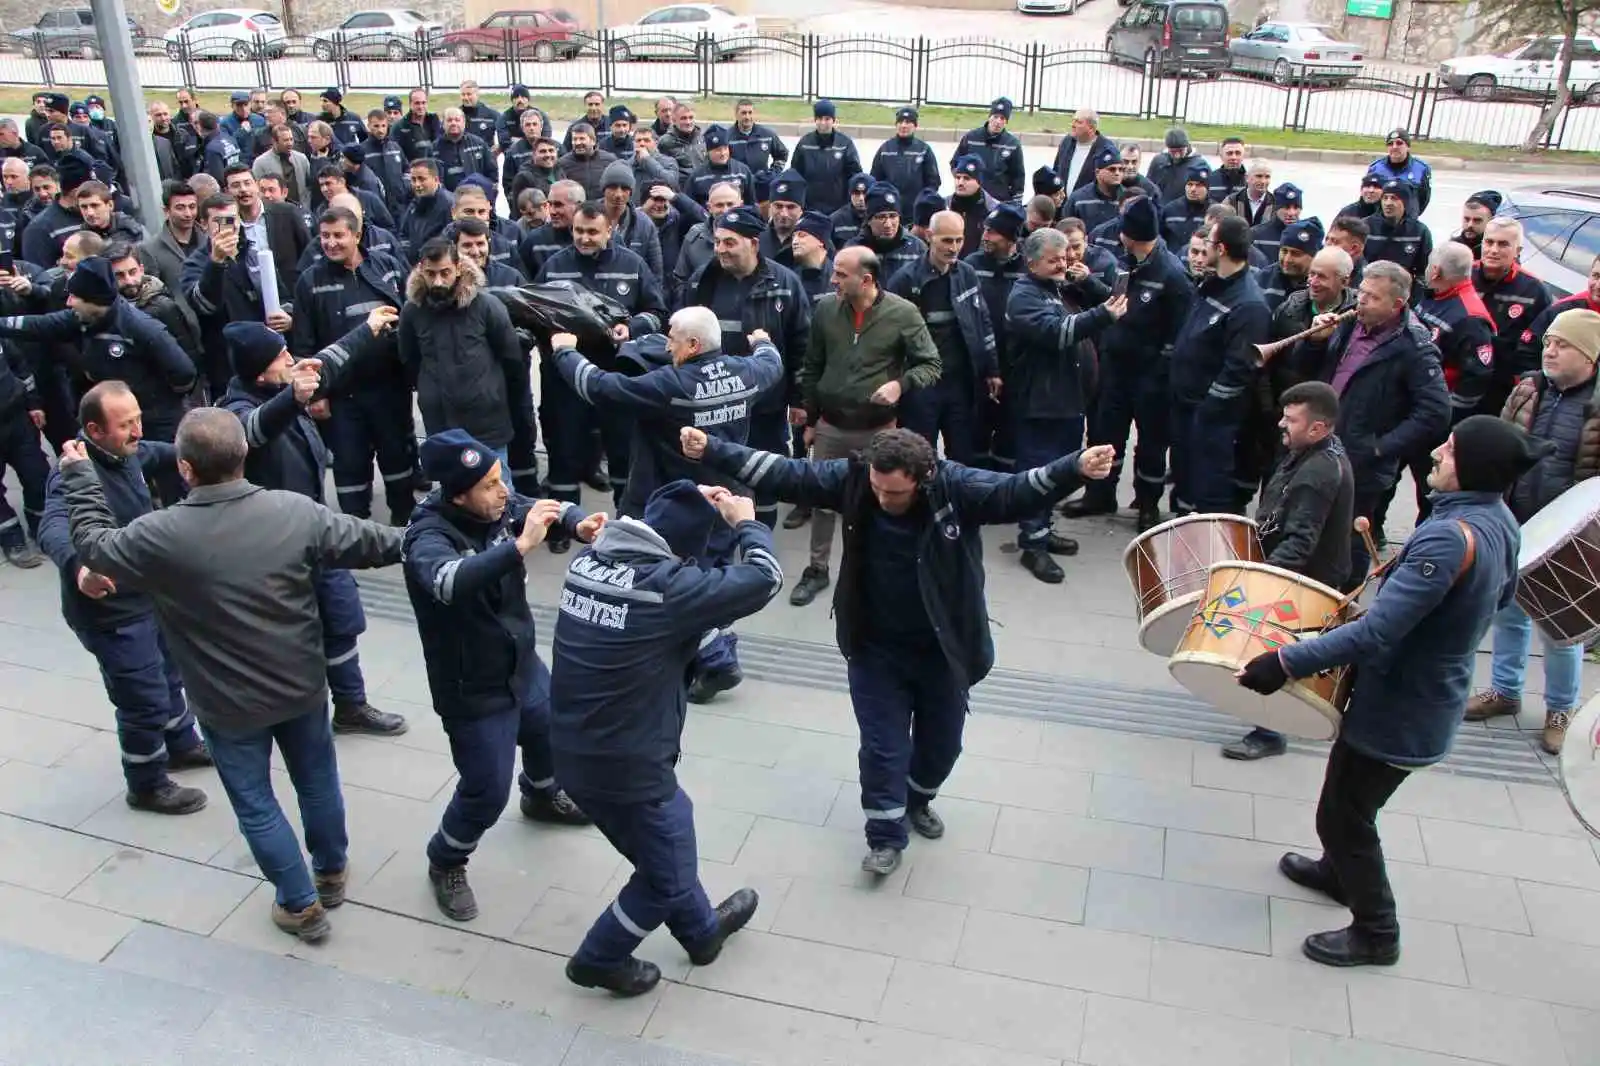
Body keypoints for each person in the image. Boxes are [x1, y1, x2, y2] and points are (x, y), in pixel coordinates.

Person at [683, 423, 1116, 873]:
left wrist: (1076, 468)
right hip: (875, 648)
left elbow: (1015, 492)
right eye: (877, 489)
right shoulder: (853, 480)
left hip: (942, 651)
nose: (884, 501)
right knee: (882, 747)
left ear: (925, 476)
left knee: (941, 748)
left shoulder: (957, 488)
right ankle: (885, 837)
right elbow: (787, 473)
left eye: (896, 493)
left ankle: (917, 799)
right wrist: (712, 448)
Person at [56, 407, 405, 943]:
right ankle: (330, 871)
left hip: (227, 704)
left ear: (187, 470)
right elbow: (378, 543)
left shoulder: (161, 533)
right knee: (317, 782)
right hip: (302, 686)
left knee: (255, 801)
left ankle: (300, 905)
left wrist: (79, 478)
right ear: (243, 456)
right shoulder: (295, 512)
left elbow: (96, 546)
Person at [1238, 415, 1539, 967]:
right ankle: (1337, 874)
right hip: (1427, 694)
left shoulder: (1449, 538)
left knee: (1344, 815)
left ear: (1474, 467)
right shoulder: (1499, 518)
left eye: (1447, 452)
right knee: (1348, 794)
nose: (1434, 457)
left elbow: (1379, 631)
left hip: (1403, 704)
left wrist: (1284, 659)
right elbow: (1500, 598)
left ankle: (1377, 932)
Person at [551, 479, 781, 995]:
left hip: (573, 750)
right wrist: (745, 521)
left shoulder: (587, 563)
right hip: (628, 765)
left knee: (659, 852)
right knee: (666, 869)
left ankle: (702, 933)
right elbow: (765, 577)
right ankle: (599, 957)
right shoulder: (670, 590)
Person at [403, 430, 595, 922]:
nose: (502, 490)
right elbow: (449, 582)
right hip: (472, 686)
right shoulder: (427, 536)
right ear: (457, 493)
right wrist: (520, 546)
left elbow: (537, 506)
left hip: (520, 665)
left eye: (499, 478)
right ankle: (445, 858)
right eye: (489, 485)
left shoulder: (497, 504)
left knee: (550, 728)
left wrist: (577, 523)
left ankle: (542, 793)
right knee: (486, 790)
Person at [220, 315, 409, 738]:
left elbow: (326, 363)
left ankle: (351, 706)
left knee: (341, 618)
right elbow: (252, 432)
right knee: (286, 638)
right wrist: (291, 399)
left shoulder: (283, 384)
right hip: (274, 549)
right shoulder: (237, 410)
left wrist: (369, 328)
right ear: (259, 369)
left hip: (315, 534)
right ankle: (282, 717)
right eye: (280, 355)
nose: (291, 358)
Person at [1465, 309, 1600, 755]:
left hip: (1570, 535)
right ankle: (1505, 689)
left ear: (1589, 355)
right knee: (1508, 610)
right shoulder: (1527, 390)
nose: (1551, 350)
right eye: (1548, 343)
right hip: (1516, 519)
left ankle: (1561, 708)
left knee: (1561, 626)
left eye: (1562, 344)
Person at [787, 246, 941, 607]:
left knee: (877, 501)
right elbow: (813, 365)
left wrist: (899, 385)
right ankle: (816, 569)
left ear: (866, 279)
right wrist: (809, 418)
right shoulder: (826, 308)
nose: (832, 279)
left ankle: (872, 572)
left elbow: (931, 364)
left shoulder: (903, 314)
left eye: (841, 274)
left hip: (879, 431)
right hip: (831, 425)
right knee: (823, 499)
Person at [1222, 381, 1354, 762]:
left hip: (1305, 580)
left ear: (1319, 428)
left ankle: (1269, 731)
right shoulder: (1313, 452)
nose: (1282, 424)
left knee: (1276, 652)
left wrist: (1259, 579)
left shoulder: (1318, 472)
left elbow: (1300, 542)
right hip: (1305, 573)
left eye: (1291, 419)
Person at [1313, 260, 1451, 583]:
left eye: (1372, 297)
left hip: (1363, 462)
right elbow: (1318, 370)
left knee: (1352, 537)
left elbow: (1435, 411)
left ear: (1397, 305)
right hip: (1324, 444)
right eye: (1361, 292)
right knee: (1318, 527)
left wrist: (1380, 448)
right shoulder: (1349, 321)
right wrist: (1315, 341)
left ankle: (1345, 605)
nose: (1361, 301)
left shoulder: (1414, 347)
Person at [1066, 197, 1189, 531]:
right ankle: (1099, 494)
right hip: (1116, 369)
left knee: (1151, 444)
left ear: (1131, 234)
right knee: (1106, 435)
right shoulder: (1127, 264)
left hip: (1150, 377)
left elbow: (1180, 332)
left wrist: (1161, 373)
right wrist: (1089, 283)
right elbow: (1115, 301)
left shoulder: (1172, 274)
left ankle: (1147, 505)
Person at [398, 238, 534, 470]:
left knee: (497, 493)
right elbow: (409, 360)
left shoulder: (486, 306)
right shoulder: (412, 312)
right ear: (420, 270)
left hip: (487, 421)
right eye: (431, 274)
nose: (438, 281)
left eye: (445, 272)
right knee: (450, 495)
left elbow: (512, 358)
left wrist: (491, 392)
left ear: (458, 267)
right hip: (439, 420)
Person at [1169, 215, 1272, 515]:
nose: (1204, 251)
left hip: (1212, 421)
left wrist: (1206, 412)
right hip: (1187, 407)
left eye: (1210, 244)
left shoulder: (1249, 304)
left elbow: (1238, 371)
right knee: (1185, 481)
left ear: (1222, 249)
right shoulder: (1213, 285)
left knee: (1209, 492)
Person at [889, 210, 998, 467]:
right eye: (947, 241)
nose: (954, 248)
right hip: (921, 385)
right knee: (918, 457)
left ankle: (958, 505)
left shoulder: (967, 274)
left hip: (960, 382)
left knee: (963, 455)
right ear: (929, 237)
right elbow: (890, 338)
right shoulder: (906, 280)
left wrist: (992, 370)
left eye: (959, 240)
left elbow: (983, 322)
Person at [1366, 128, 1433, 215]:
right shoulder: (1375, 168)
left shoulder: (1421, 169)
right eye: (1390, 144)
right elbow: (1368, 197)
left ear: (1408, 146)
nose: (1394, 147)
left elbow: (1424, 198)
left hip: (1408, 223)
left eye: (1399, 143)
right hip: (1379, 221)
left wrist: (1412, 215)